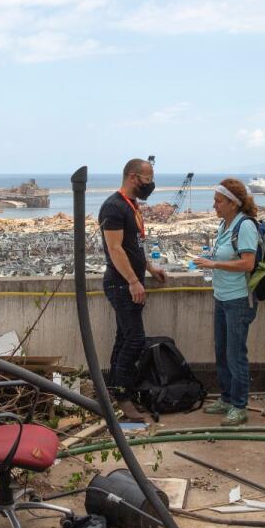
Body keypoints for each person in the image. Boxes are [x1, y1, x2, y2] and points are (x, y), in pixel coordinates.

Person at [99, 157, 166, 420]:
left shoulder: (131, 205)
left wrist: (149, 269)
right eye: (147, 180)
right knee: (135, 340)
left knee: (124, 338)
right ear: (132, 177)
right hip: (120, 284)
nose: (150, 185)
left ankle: (115, 391)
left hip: (129, 281)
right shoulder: (114, 207)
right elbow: (115, 249)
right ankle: (123, 396)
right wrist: (133, 281)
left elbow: (133, 246)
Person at [195, 178, 259, 426]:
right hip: (222, 297)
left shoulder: (245, 227)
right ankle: (226, 398)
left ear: (233, 203)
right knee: (222, 351)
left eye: (218, 201)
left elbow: (247, 263)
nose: (214, 206)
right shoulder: (225, 224)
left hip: (239, 300)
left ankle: (239, 406)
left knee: (236, 354)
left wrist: (214, 264)